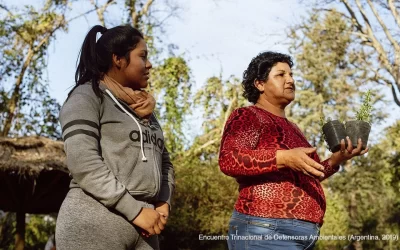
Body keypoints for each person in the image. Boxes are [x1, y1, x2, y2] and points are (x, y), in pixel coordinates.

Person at [218, 51, 368, 250]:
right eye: (280, 75)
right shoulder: (248, 116)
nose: (290, 80)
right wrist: (283, 158)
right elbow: (229, 159)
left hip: (305, 236)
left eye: (291, 75)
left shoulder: (294, 129)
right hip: (264, 230)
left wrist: (338, 158)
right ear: (259, 84)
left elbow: (312, 174)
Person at [55, 25, 174, 250]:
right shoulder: (87, 97)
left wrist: (163, 202)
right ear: (118, 59)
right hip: (93, 223)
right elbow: (83, 163)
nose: (149, 64)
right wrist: (135, 210)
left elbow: (164, 161)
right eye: (143, 56)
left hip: (146, 226)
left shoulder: (145, 110)